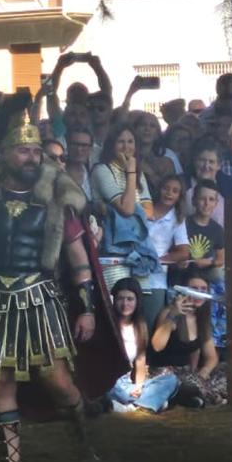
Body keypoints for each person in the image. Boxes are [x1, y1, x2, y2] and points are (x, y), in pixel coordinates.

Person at [0, 90, 120, 462]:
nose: (32, 158)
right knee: (0, 384)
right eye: (24, 151)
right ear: (7, 153)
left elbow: (80, 261)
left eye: (35, 151)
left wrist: (86, 310)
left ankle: (87, 451)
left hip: (40, 300)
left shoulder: (55, 200)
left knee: (60, 385)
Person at [90, 123, 161, 290]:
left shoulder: (138, 172)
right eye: (121, 142)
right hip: (114, 252)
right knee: (117, 303)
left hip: (139, 252)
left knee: (138, 306)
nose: (126, 147)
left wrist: (125, 208)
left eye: (130, 141)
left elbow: (149, 211)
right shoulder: (102, 170)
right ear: (111, 145)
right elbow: (127, 209)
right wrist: (130, 173)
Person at [148, 272, 224, 407]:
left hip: (189, 373)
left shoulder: (201, 316)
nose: (199, 293)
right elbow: (157, 346)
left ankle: (195, 397)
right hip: (165, 373)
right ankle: (196, 397)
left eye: (203, 289)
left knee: (226, 372)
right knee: (188, 384)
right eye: (194, 289)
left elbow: (211, 357)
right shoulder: (169, 312)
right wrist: (172, 316)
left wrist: (204, 372)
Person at [104, 278, 178, 413]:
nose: (125, 303)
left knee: (171, 380)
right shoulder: (107, 326)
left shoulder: (139, 326)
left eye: (130, 299)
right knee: (108, 390)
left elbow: (140, 361)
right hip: (112, 382)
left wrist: (139, 386)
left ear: (137, 301)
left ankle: (129, 407)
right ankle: (148, 404)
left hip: (128, 384)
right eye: (120, 298)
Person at [140, 174, 191, 316]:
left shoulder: (177, 219)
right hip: (132, 270)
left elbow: (183, 252)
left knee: (150, 321)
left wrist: (157, 261)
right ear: (159, 190)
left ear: (179, 196)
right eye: (166, 188)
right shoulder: (144, 209)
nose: (169, 193)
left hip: (156, 279)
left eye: (175, 191)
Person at [184, 143, 232, 224]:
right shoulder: (182, 184)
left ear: (218, 166)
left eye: (211, 162)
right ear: (195, 162)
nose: (206, 166)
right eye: (202, 160)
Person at [185, 180, 226, 284]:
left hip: (206, 275)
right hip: (184, 274)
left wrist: (210, 262)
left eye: (211, 199)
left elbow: (220, 259)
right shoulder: (183, 224)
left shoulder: (217, 230)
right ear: (194, 201)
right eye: (202, 199)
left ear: (216, 203)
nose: (207, 203)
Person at [131, 111, 176, 192]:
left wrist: (150, 173)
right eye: (143, 125)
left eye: (152, 126)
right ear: (135, 129)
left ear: (158, 133)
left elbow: (169, 191)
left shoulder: (166, 164)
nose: (147, 129)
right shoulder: (124, 158)